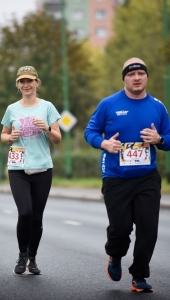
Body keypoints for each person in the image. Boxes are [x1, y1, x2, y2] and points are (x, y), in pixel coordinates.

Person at [84, 57, 170, 293]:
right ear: (124, 78)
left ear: (146, 77)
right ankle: (115, 254)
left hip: (147, 177)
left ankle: (139, 276)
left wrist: (159, 140)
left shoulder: (157, 106)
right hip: (115, 176)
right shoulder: (109, 104)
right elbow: (89, 131)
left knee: (148, 229)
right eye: (131, 74)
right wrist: (104, 144)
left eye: (141, 73)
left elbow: (168, 138)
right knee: (121, 229)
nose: (137, 78)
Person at [1, 66, 62, 275]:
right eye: (22, 81)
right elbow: (4, 134)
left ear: (37, 82)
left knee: (37, 217)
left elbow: (58, 138)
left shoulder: (47, 107)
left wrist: (46, 127)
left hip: (43, 168)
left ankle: (33, 258)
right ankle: (22, 255)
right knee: (25, 212)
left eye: (30, 81)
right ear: (18, 85)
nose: (26, 85)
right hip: (18, 168)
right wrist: (9, 138)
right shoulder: (12, 109)